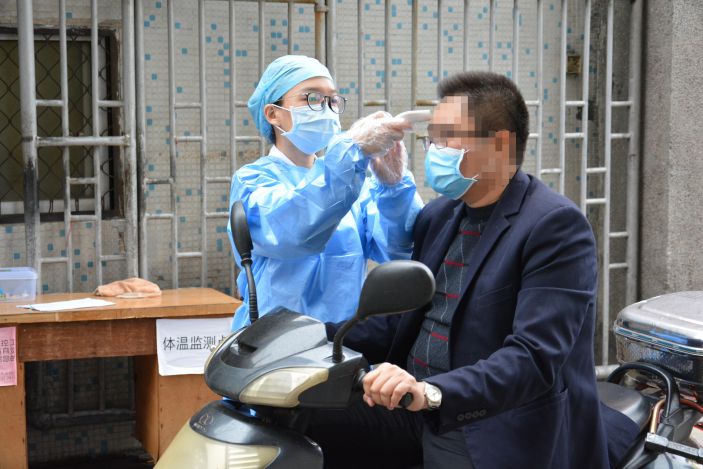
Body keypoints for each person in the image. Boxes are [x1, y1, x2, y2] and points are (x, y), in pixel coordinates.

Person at [307, 71, 639, 469]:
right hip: (414, 406)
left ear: (500, 144)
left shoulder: (555, 227)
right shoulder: (438, 216)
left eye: (447, 137)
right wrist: (308, 336)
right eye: (431, 139)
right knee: (300, 422)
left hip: (491, 421)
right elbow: (402, 323)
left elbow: (533, 358)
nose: (434, 151)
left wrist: (431, 392)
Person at [227, 55, 423, 330]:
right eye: (312, 98)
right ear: (273, 114)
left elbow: (398, 251)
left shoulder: (354, 184)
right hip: (274, 343)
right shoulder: (253, 181)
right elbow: (294, 230)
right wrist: (350, 151)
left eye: (332, 100)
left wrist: (394, 189)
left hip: (343, 341)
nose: (326, 108)